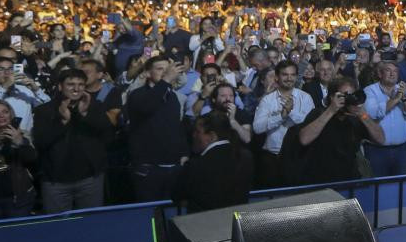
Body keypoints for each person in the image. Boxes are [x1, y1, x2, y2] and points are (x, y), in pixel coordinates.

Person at [32, 69, 113, 213]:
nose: (76, 88)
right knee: (58, 227)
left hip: (89, 179)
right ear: (60, 86)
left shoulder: (95, 106)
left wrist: (85, 115)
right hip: (55, 181)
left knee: (91, 223)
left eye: (81, 84)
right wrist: (63, 122)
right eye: (71, 84)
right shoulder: (44, 111)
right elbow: (41, 142)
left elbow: (108, 135)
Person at [282, 77, 386, 185]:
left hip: (348, 180)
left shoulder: (356, 119)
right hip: (319, 182)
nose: (348, 99)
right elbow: (304, 139)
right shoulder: (318, 113)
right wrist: (331, 110)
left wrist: (363, 114)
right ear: (332, 97)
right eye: (344, 95)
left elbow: (381, 139)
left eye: (352, 95)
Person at [125, 56, 190, 203]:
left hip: (173, 167)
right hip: (148, 169)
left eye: (167, 69)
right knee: (151, 215)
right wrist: (165, 80)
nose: (165, 72)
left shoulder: (172, 96)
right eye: (160, 69)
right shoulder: (137, 94)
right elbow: (147, 106)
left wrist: (184, 152)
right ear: (147, 73)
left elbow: (176, 125)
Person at [172, 112, 252, 213]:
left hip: (204, 225)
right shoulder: (246, 158)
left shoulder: (196, 165)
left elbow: (177, 196)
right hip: (237, 224)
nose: (193, 135)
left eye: (197, 132)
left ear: (211, 136)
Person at [252, 60, 314, 187]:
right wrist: (281, 116)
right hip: (272, 159)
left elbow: (310, 125)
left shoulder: (306, 98)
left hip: (298, 157)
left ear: (297, 77)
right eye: (285, 75)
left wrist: (290, 113)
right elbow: (257, 128)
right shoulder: (267, 100)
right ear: (277, 77)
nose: (289, 78)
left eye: (292, 75)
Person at [361, 61, 406, 177]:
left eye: (395, 71)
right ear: (380, 73)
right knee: (377, 187)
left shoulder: (405, 91)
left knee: (400, 187)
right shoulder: (370, 91)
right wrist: (395, 100)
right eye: (388, 70)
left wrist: (404, 99)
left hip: (402, 150)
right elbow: (371, 114)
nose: (392, 74)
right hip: (376, 151)